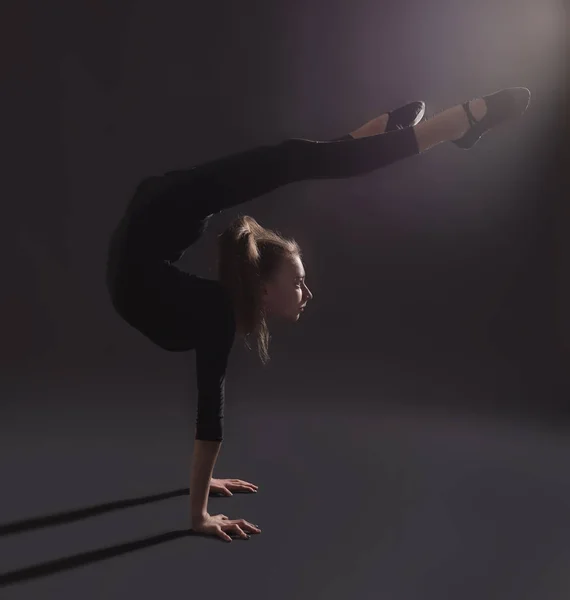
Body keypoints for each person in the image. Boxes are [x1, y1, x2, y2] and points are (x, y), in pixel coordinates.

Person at [105, 87, 531, 543]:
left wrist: (200, 484)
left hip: (155, 220)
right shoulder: (214, 309)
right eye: (299, 281)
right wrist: (199, 514)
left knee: (295, 158)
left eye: (299, 281)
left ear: (262, 287)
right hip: (153, 221)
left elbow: (208, 414)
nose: (307, 292)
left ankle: (418, 130)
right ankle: (432, 128)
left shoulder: (211, 303)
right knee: (294, 158)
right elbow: (210, 416)